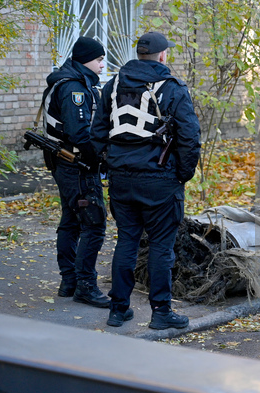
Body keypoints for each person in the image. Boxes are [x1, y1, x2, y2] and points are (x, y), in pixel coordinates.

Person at [92, 32, 201, 329]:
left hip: (120, 179)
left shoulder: (112, 84)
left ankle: (118, 309)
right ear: (163, 56)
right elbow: (190, 138)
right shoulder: (173, 88)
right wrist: (182, 174)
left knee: (126, 240)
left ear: (140, 55)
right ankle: (161, 313)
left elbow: (97, 132)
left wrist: (110, 163)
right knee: (161, 247)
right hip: (159, 179)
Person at [42, 36, 110, 308]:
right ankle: (85, 285)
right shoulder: (74, 89)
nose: (103, 65)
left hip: (65, 165)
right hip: (77, 165)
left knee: (71, 221)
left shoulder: (68, 81)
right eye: (99, 60)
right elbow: (80, 134)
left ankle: (69, 281)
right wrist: (100, 160)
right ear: (85, 60)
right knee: (93, 223)